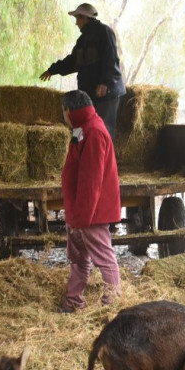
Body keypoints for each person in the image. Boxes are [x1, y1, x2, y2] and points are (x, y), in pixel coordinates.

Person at [59, 90, 121, 313]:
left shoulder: (93, 132)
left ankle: (112, 306)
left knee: (104, 258)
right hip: (83, 211)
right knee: (79, 258)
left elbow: (91, 180)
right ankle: (74, 301)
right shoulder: (83, 128)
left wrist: (81, 219)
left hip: (93, 212)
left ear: (68, 110)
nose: (63, 117)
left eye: (63, 112)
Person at [40, 3, 126, 141]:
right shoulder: (83, 40)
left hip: (106, 94)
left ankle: (105, 162)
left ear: (84, 17)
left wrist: (104, 83)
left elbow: (111, 60)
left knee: (104, 129)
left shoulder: (105, 32)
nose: (76, 23)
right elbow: (73, 61)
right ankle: (84, 157)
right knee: (84, 129)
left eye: (77, 19)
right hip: (91, 93)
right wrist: (53, 70)